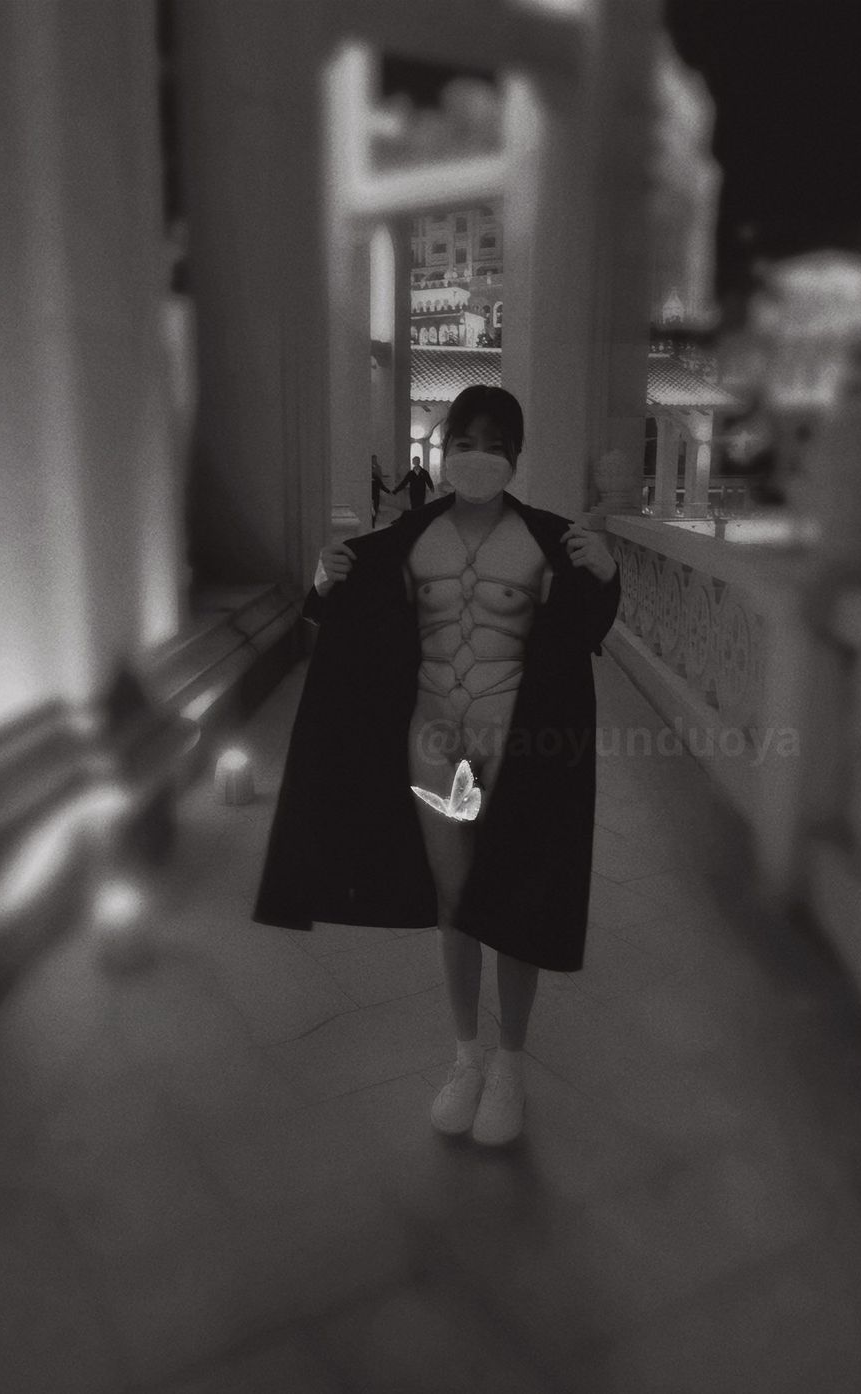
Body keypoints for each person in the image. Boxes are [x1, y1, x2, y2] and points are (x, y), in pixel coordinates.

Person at [254, 386, 619, 1146]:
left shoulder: (548, 540)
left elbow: (586, 629)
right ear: (445, 449)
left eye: (494, 444)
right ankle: (466, 1057)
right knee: (455, 901)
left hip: (515, 743)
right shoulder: (408, 540)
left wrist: (606, 573)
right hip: (433, 743)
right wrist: (325, 581)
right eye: (465, 441)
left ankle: (510, 1064)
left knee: (516, 899)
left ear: (515, 456)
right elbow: (350, 616)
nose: (477, 457)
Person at [371, 454, 391, 526]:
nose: (374, 460)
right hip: (371, 493)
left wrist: (388, 491)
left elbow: (380, 483)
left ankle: (373, 522)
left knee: (375, 508)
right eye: (373, 459)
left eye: (375, 459)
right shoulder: (370, 474)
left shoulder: (378, 469)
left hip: (376, 491)